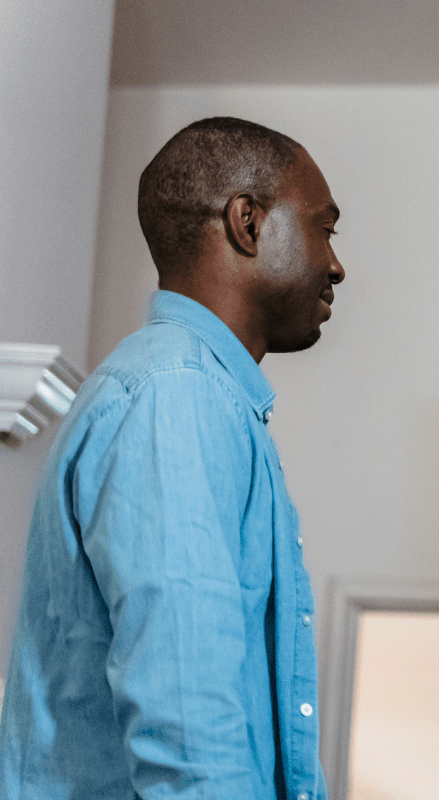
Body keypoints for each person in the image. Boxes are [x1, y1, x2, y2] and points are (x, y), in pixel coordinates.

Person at [0, 117, 344, 799]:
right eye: (324, 227)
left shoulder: (200, 396)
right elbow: (188, 724)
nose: (335, 263)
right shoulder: (174, 398)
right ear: (247, 222)